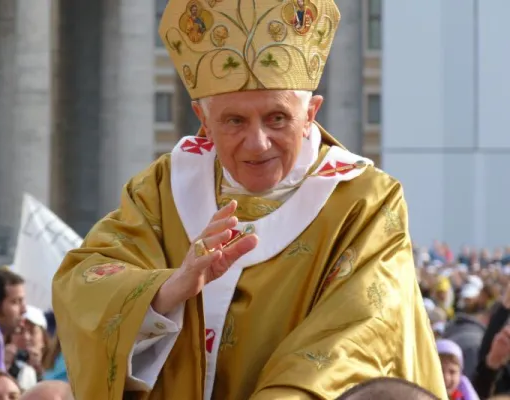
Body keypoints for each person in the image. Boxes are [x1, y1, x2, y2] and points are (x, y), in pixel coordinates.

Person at [52, 0, 447, 399]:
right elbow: (82, 283)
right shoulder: (163, 187)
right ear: (203, 120)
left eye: (277, 118)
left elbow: (360, 332)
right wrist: (168, 287)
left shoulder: (363, 200)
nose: (257, 144)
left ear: (310, 112)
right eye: (234, 121)